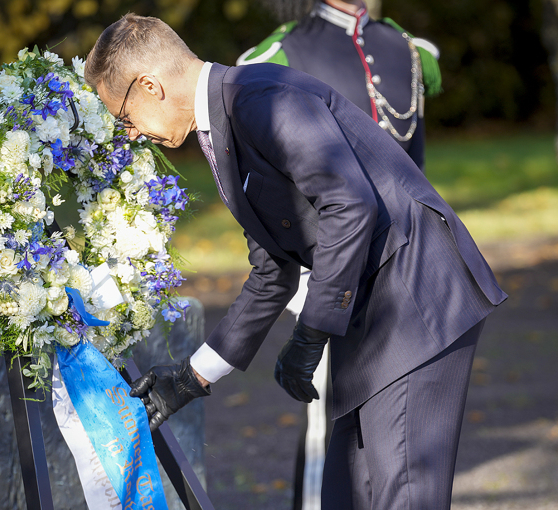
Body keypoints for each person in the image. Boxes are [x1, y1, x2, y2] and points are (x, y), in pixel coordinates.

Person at [84, 14, 506, 509]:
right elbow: (272, 271)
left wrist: (312, 330)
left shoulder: (260, 99)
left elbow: (350, 206)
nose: (130, 134)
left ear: (150, 86)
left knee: (401, 497)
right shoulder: (225, 122)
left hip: (417, 300)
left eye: (123, 117)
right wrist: (189, 379)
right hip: (374, 312)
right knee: (347, 497)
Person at [236, 2, 441, 508]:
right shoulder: (279, 53)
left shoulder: (411, 50)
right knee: (329, 422)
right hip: (332, 266)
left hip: (409, 267)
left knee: (396, 429)